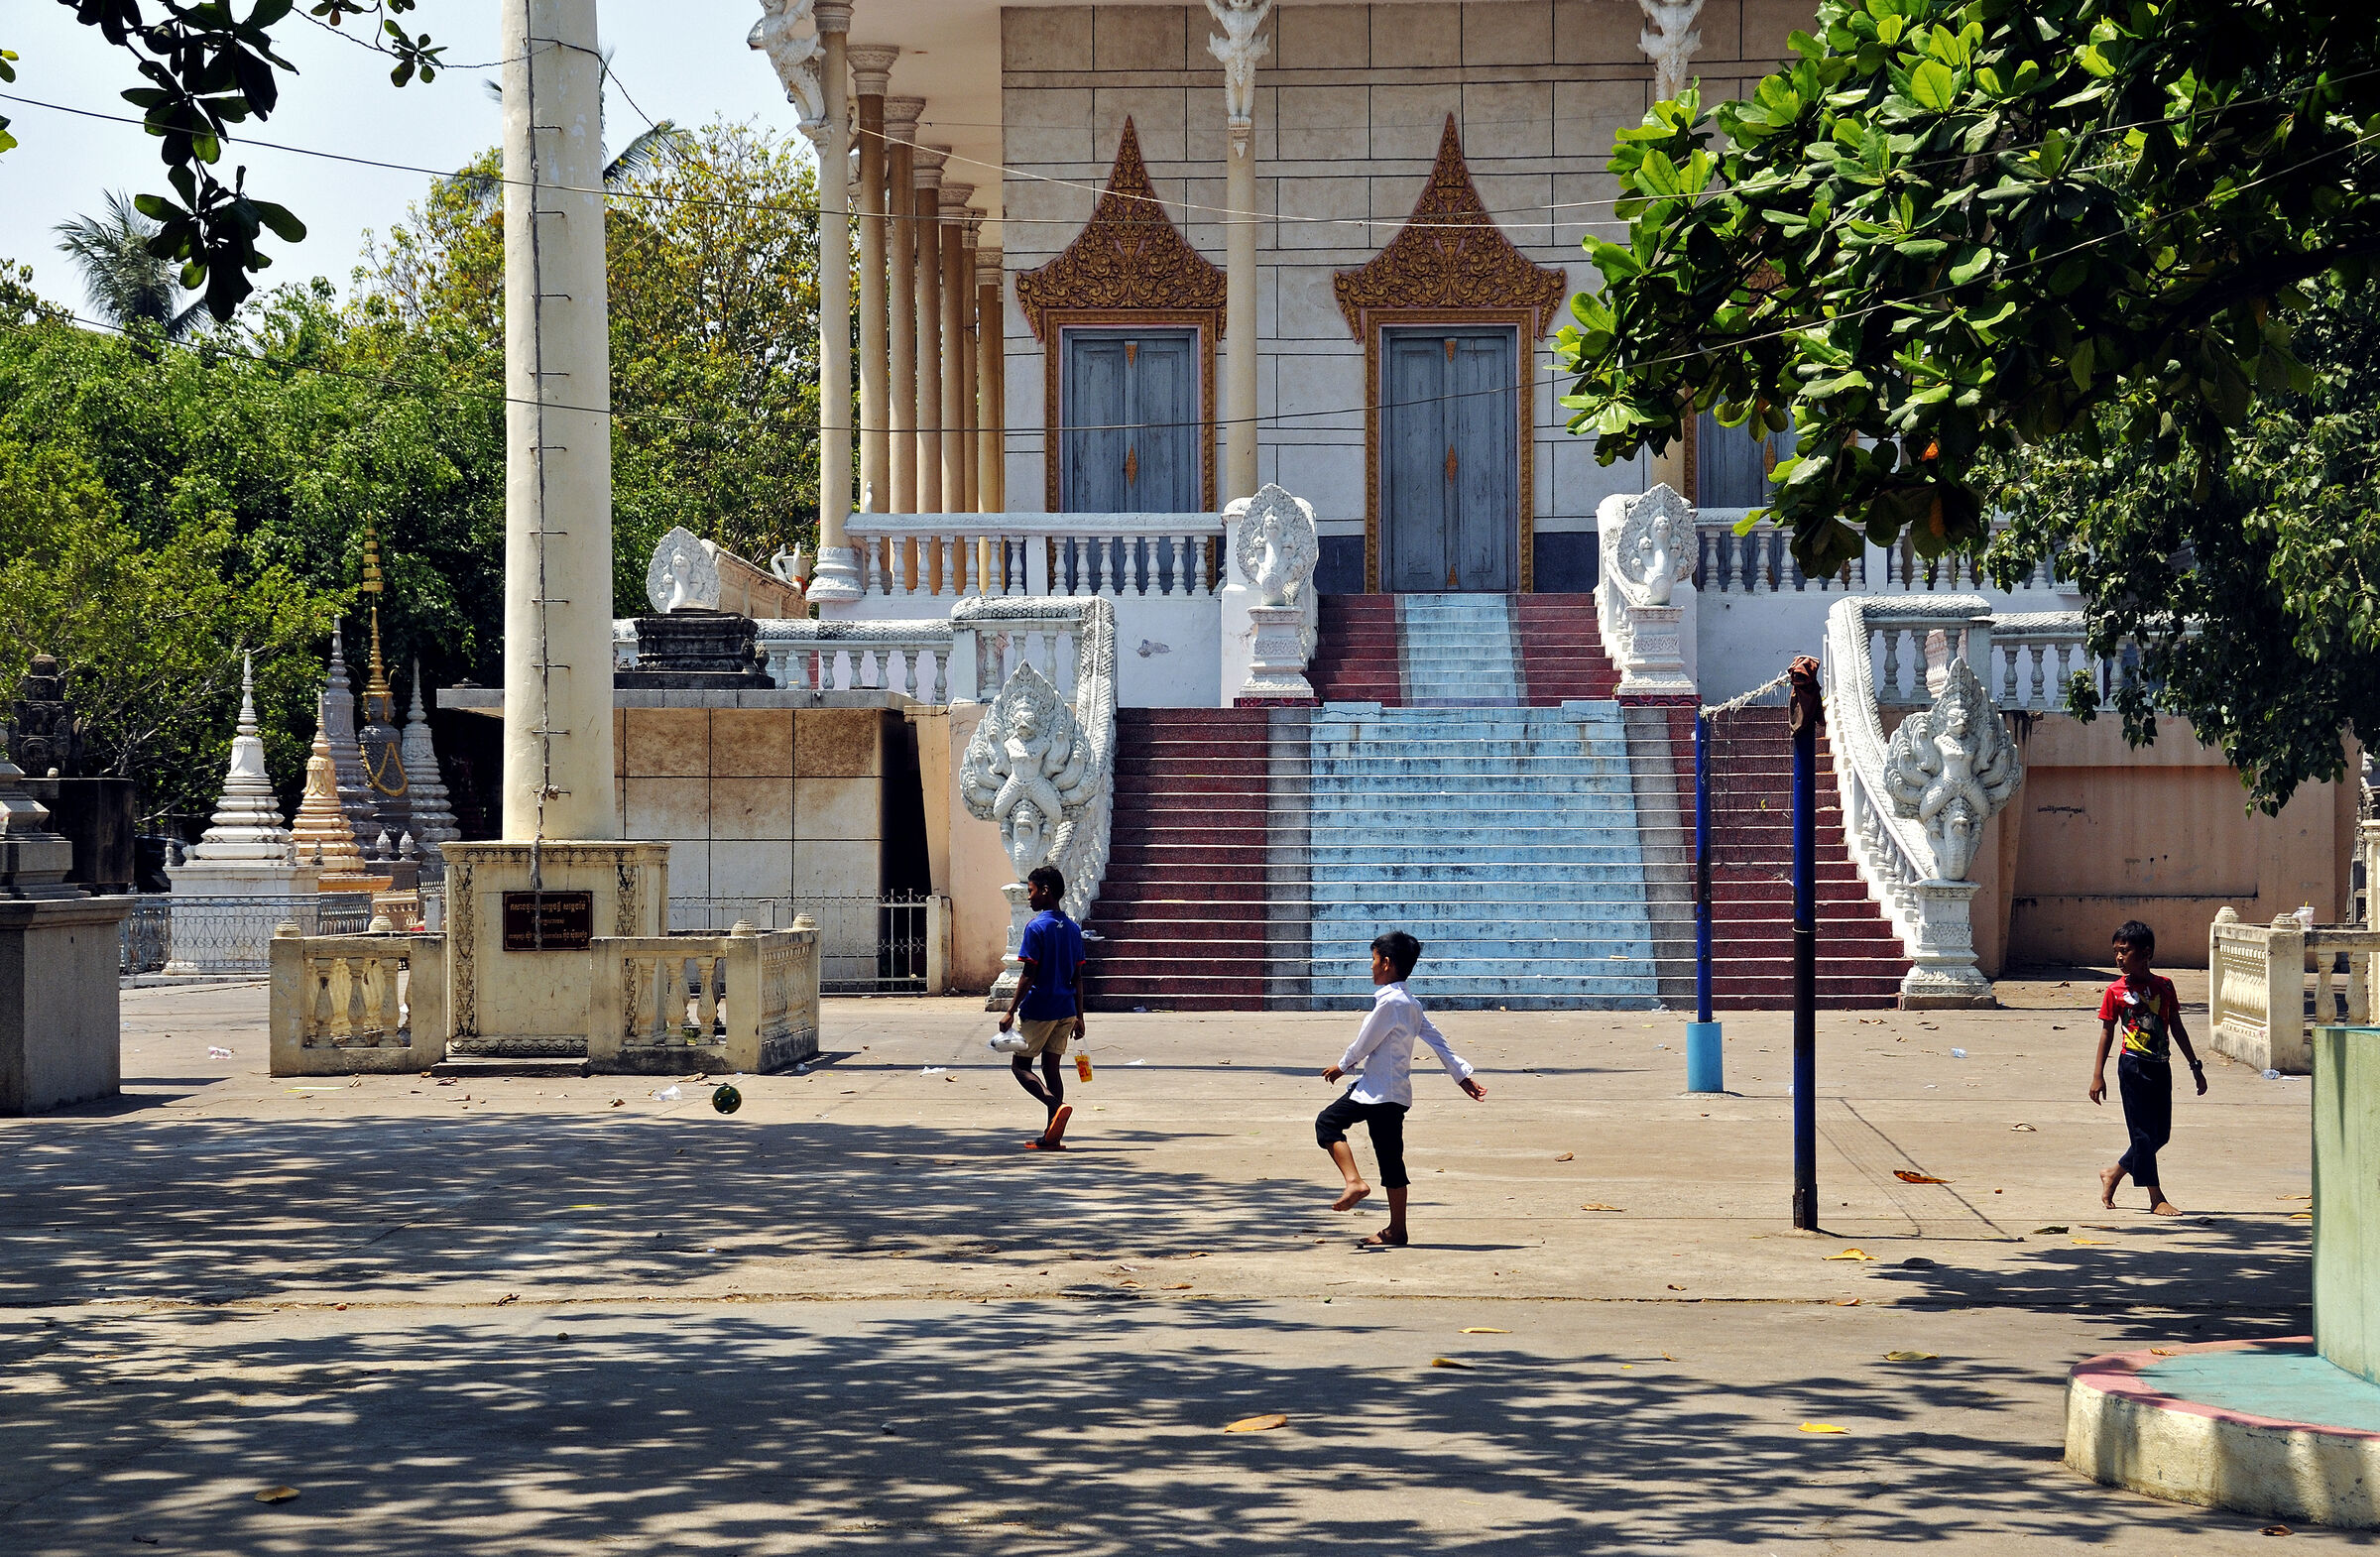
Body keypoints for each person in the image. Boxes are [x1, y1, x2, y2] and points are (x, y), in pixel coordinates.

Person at [1316, 930, 1487, 1247]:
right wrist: (1461, 1075)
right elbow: (1438, 1041)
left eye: (1374, 960)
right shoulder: (1411, 1004)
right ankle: (1398, 1229)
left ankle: (1354, 1182)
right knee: (1391, 1160)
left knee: (1327, 1123)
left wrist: (1342, 1066)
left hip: (1375, 1091)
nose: (1371, 966)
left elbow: (1365, 1041)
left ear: (1387, 964)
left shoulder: (1391, 1004)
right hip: (1394, 1096)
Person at [2088, 919, 2207, 1215]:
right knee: (2141, 1134)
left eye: (2125, 951)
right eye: (2116, 951)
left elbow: (2176, 1026)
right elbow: (2107, 1032)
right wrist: (2097, 1075)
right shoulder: (2114, 991)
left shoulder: (2164, 986)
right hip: (2132, 1067)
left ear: (2146, 952)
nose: (2118, 958)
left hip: (2160, 1066)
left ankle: (2114, 1172)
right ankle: (2156, 1198)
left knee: (2160, 1135)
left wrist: (2195, 1065)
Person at [997, 864, 1085, 1151]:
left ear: (1045, 891)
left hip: (1040, 1007)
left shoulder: (1036, 927)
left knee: (1020, 1066)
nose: (1029, 897)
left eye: (1031, 891)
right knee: (1051, 1068)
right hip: (1066, 1008)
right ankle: (1051, 1136)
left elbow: (1028, 974)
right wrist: (1080, 1018)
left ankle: (1055, 1105)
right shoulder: (1073, 929)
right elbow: (1078, 977)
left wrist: (1011, 1009)